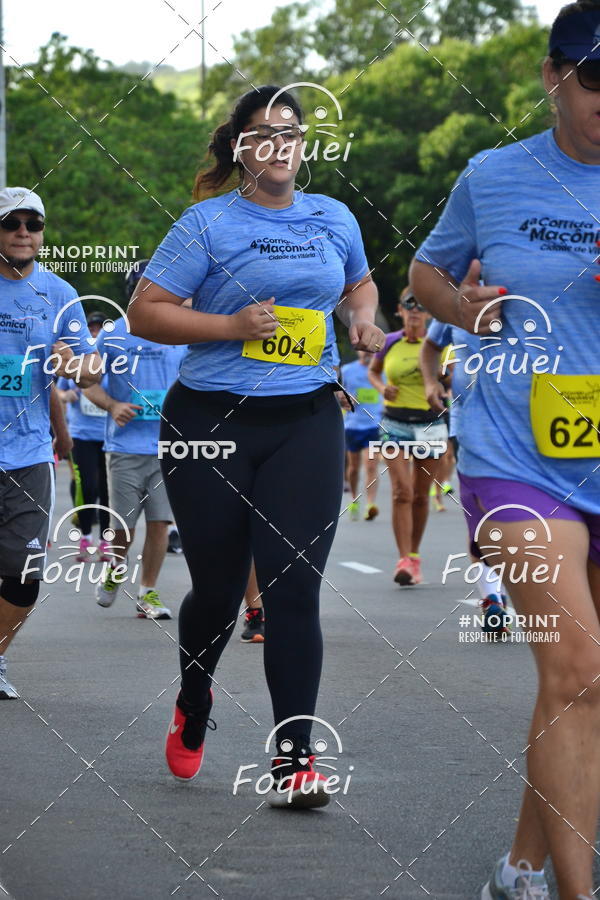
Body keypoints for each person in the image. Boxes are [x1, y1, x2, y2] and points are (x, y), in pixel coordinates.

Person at [127, 84, 384, 806]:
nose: (280, 145)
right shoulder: (206, 224)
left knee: (292, 588)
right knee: (215, 587)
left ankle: (294, 757)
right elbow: (146, 312)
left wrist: (361, 321)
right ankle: (195, 695)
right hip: (208, 422)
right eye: (263, 133)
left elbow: (360, 286)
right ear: (240, 147)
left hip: (306, 418)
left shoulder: (334, 217)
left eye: (292, 132)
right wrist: (232, 326)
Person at [410, 4, 600, 896]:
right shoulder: (493, 175)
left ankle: (522, 866)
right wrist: (466, 311)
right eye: (595, 81)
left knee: (586, 687)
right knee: (576, 668)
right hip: (515, 452)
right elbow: (426, 272)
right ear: (552, 75)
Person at [0, 187, 100, 698]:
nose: (22, 231)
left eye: (32, 223)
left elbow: (91, 368)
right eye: (12, 222)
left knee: (24, 572)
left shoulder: (59, 295)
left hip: (27, 456)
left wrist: (75, 366)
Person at [83, 261, 186, 619]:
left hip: (167, 446)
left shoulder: (179, 333)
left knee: (160, 523)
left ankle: (148, 593)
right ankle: (114, 571)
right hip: (124, 447)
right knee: (122, 528)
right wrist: (112, 405)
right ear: (133, 292)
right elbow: (88, 382)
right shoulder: (112, 335)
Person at [420, 319, 510, 636]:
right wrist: (432, 383)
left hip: (530, 425)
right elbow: (431, 347)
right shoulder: (453, 295)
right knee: (484, 514)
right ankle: (492, 599)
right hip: (469, 425)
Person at [368, 288, 447, 586]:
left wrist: (443, 379)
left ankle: (414, 555)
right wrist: (381, 388)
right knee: (401, 490)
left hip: (430, 425)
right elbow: (374, 372)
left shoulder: (438, 343)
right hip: (394, 423)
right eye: (408, 305)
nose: (414, 310)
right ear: (400, 310)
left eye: (421, 305)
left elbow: (452, 379)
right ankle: (403, 560)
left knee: (419, 495)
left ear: (429, 313)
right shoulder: (389, 343)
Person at [56, 310, 111, 561]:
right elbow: (59, 392)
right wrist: (68, 396)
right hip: (81, 434)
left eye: (99, 328)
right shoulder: (77, 359)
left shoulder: (113, 360)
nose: (95, 332)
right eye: (91, 329)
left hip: (109, 435)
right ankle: (86, 536)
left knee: (106, 489)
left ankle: (105, 541)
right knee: (88, 486)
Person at [341, 350, 382, 521]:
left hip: (374, 425)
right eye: (364, 350)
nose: (367, 353)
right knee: (353, 467)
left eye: (370, 351)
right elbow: (338, 394)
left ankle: (370, 504)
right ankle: (354, 499)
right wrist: (345, 398)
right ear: (357, 351)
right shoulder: (347, 370)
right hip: (352, 425)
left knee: (371, 466)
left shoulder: (382, 371)